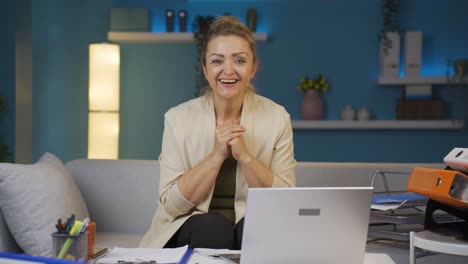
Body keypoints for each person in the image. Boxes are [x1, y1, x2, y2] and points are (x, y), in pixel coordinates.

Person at [139, 15, 296, 250]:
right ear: (205, 68)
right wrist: (216, 156)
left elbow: (286, 203)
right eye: (217, 61)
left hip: (249, 227)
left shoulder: (277, 117)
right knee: (214, 228)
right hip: (192, 226)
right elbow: (171, 206)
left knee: (256, 225)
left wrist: (245, 157)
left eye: (240, 61)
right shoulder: (178, 119)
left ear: (253, 68)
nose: (228, 70)